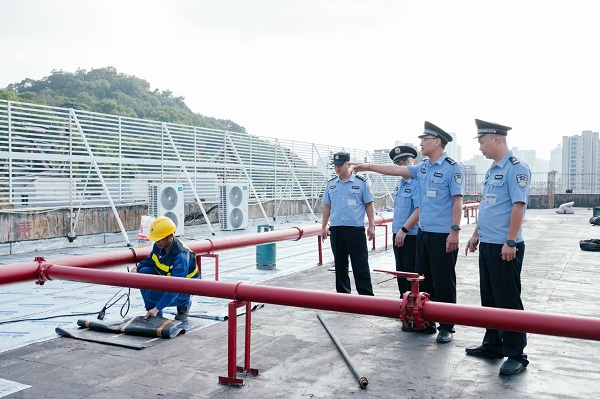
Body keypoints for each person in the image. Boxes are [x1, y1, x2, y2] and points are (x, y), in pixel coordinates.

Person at [351, 122, 464, 343]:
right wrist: (368, 166)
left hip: (443, 234)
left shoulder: (452, 167)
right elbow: (397, 170)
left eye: (425, 140)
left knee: (444, 281)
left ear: (437, 141)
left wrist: (455, 231)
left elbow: (457, 201)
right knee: (424, 280)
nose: (421, 143)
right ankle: (428, 319)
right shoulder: (423, 168)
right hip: (424, 233)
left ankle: (447, 326)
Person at [464, 119, 531, 376]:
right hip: (489, 244)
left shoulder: (517, 168)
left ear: (496, 139)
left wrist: (511, 241)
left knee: (508, 300)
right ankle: (493, 343)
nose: (480, 147)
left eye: (482, 142)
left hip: (506, 246)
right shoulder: (493, 170)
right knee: (490, 297)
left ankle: (516, 354)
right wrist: (475, 234)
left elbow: (518, 206)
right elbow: (488, 207)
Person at [321, 151, 375, 296]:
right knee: (340, 264)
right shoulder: (331, 184)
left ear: (347, 164)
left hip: (355, 230)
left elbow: (369, 204)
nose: (337, 169)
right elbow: (327, 206)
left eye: (340, 165)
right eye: (335, 166)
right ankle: (343, 296)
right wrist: (323, 227)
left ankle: (366, 296)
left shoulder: (360, 182)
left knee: (360, 264)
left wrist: (371, 225)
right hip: (337, 229)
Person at [130, 216, 200, 320]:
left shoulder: (181, 256)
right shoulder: (159, 246)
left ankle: (184, 303)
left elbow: (177, 286)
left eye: (159, 238)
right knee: (143, 273)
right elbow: (150, 260)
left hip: (185, 288)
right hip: (168, 278)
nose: (156, 242)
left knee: (151, 294)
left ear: (170, 236)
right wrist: (136, 268)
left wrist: (157, 308)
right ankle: (153, 314)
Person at [389, 145, 420, 297]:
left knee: (412, 274)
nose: (403, 166)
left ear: (414, 162)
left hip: (411, 235)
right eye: (399, 164)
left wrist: (404, 230)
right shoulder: (400, 184)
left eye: (406, 161)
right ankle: (404, 305)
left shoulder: (417, 183)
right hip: (398, 233)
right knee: (400, 272)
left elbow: (419, 210)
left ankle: (414, 308)